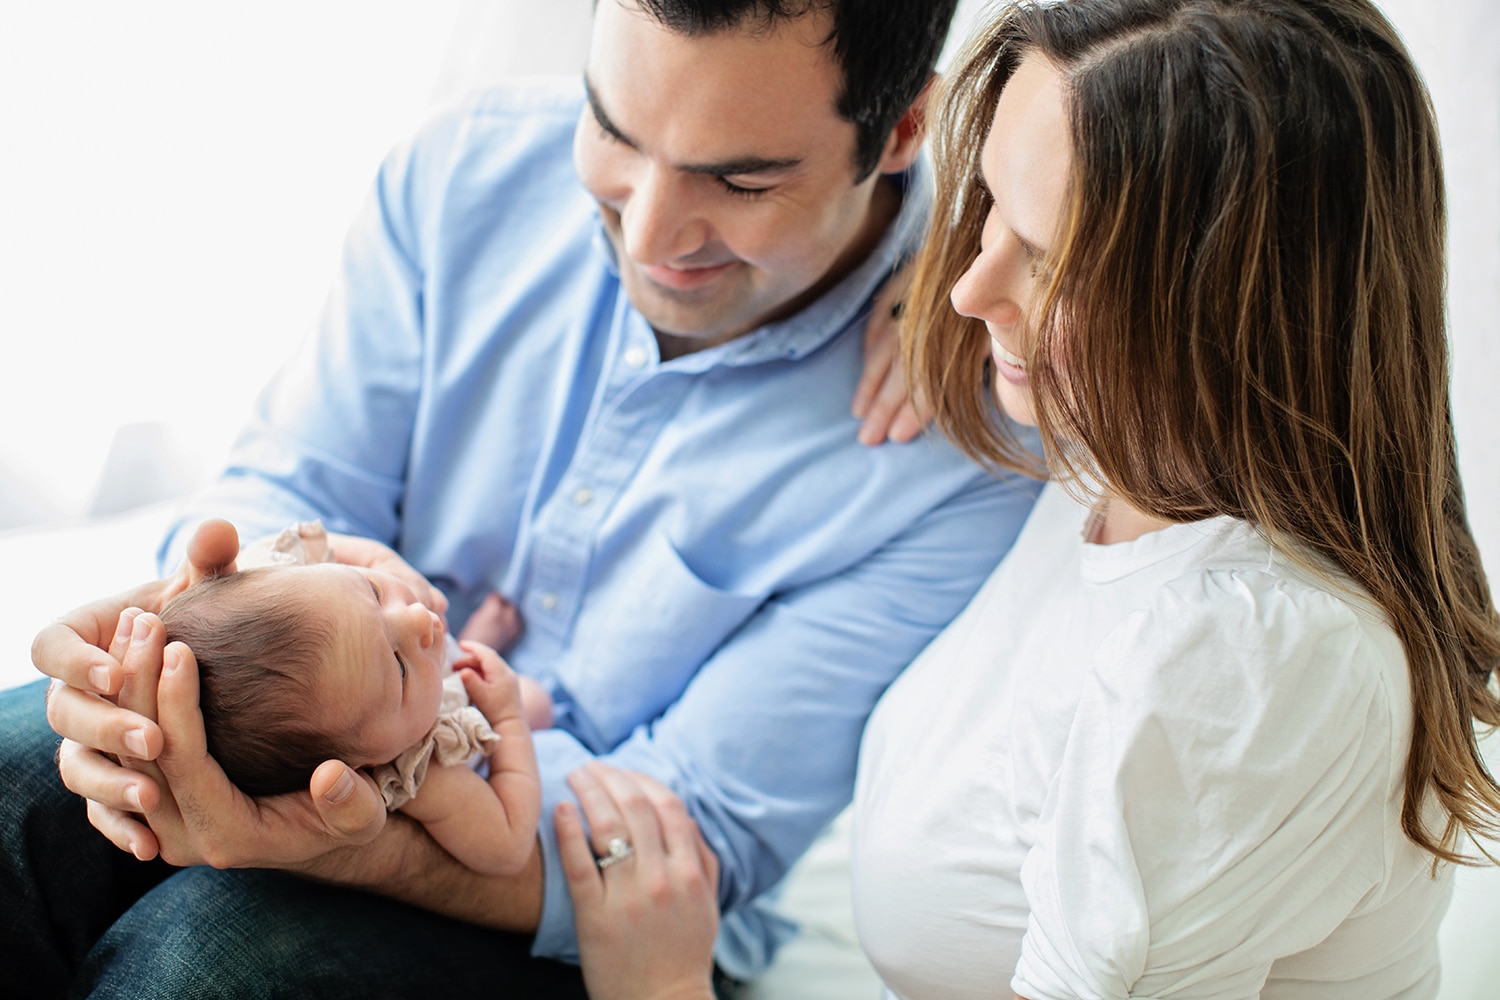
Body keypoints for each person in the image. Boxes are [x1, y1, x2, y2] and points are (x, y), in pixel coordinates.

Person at [13, 0, 1044, 996]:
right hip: (309, 732)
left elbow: (693, 823)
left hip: (594, 903)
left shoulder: (956, 441)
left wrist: (345, 839)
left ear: (906, 125)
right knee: (16, 781)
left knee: (211, 959)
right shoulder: (464, 172)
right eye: (613, 130)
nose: (648, 237)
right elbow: (294, 489)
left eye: (740, 181)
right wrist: (176, 671)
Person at [551, 0, 1500, 997]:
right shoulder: (1110, 462)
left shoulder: (1240, 664)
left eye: (1051, 262)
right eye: (990, 204)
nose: (967, 285)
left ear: (1221, 311)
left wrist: (660, 989)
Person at [157, 520, 544, 878]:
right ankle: (474, 662)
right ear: (360, 766)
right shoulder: (427, 774)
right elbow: (508, 847)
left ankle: (461, 649)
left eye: (374, 593)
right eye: (399, 667)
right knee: (537, 702)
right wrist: (508, 715)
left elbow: (339, 549)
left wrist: (388, 565)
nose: (417, 618)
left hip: (438, 673)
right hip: (468, 708)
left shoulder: (288, 579)